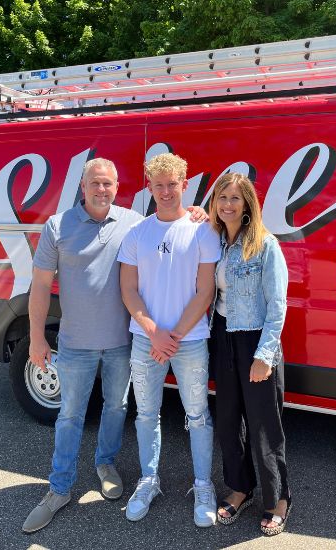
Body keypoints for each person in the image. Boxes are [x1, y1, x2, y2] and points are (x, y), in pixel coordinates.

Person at [20, 159, 142, 533]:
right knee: (70, 416)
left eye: (107, 183)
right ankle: (59, 489)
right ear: (83, 186)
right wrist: (37, 337)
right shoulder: (58, 225)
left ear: (117, 185)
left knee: (117, 406)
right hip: (74, 344)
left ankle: (105, 464)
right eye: (94, 183)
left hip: (121, 342)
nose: (101, 190)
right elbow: (40, 285)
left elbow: (173, 229)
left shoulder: (134, 223)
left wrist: (198, 213)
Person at [118, 153, 221, 526]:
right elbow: (128, 289)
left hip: (189, 340)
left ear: (184, 184)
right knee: (146, 414)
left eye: (171, 184)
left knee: (197, 415)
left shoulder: (202, 230)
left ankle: (203, 485)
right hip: (146, 340)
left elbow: (204, 291)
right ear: (149, 186)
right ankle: (149, 481)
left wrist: (173, 336)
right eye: (158, 185)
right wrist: (153, 331)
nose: (165, 191)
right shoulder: (137, 233)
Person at [206, 173, 293, 535]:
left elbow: (278, 304)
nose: (228, 204)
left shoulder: (265, 244)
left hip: (256, 339)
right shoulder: (214, 241)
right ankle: (240, 487)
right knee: (227, 421)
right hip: (222, 336)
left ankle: (279, 498)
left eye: (235, 198)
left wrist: (265, 355)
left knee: (263, 424)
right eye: (222, 197)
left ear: (247, 205)